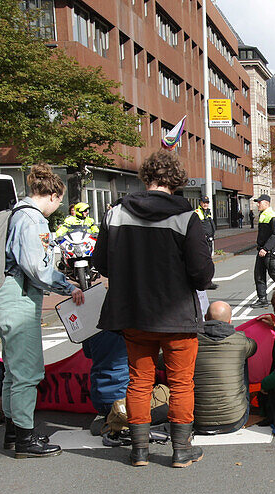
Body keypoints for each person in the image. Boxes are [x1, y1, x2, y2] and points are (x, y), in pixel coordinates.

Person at [93, 150, 214, 469]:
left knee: (138, 380)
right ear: (176, 182)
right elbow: (201, 273)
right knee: (181, 383)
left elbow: (101, 262)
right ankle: (181, 450)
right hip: (176, 317)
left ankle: (139, 450)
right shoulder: (186, 216)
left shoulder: (116, 212)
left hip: (132, 314)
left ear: (145, 178)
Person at [0, 164, 84, 458]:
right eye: (59, 201)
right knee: (28, 373)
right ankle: (25, 440)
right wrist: (68, 287)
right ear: (54, 195)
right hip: (18, 298)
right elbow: (36, 267)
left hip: (5, 294)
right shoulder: (32, 220)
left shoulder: (16, 213)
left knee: (13, 372)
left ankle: (13, 432)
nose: (58, 208)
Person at [194, 300, 258, 435]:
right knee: (241, 359)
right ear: (229, 321)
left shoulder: (191, 342)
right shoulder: (241, 341)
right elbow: (254, 347)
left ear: (205, 318)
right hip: (235, 421)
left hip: (197, 421)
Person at [250, 194, 275, 309]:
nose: (258, 204)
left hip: (270, 251)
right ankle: (262, 299)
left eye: (259, 202)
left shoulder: (274, 216)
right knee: (259, 275)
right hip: (262, 250)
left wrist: (266, 248)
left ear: (266, 203)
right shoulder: (263, 215)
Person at [195, 197, 218, 289]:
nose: (205, 204)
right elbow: (197, 227)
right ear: (200, 203)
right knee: (203, 262)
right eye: (204, 202)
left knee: (208, 261)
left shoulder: (208, 212)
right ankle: (204, 282)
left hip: (209, 241)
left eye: (207, 203)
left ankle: (208, 281)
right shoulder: (197, 212)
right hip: (203, 241)